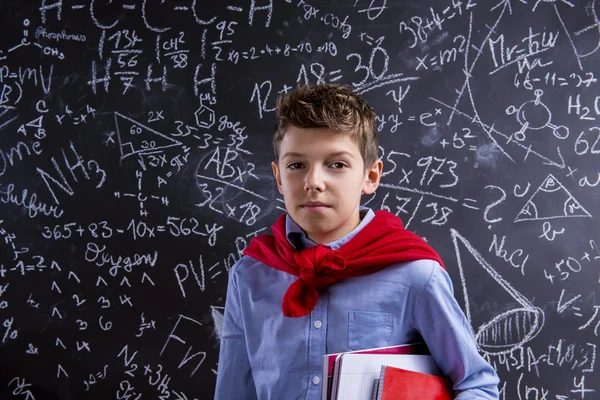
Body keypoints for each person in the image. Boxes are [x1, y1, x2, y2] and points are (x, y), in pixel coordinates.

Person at [214, 83, 500, 399]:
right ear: (279, 177)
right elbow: (232, 391)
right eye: (297, 165)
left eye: (336, 164)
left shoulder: (415, 276)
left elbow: (477, 386)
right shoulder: (249, 276)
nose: (313, 182)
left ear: (370, 177)